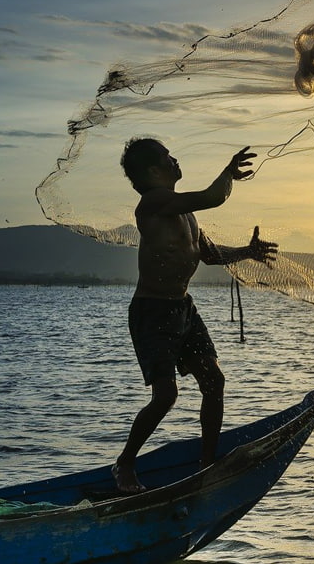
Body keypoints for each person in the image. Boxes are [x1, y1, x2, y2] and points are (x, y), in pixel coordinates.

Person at [113, 137, 278, 494]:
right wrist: (229, 172)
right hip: (152, 311)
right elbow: (213, 196)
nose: (175, 160)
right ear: (153, 171)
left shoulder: (185, 213)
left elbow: (211, 255)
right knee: (165, 396)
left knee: (214, 381)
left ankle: (207, 464)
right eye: (167, 157)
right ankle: (124, 463)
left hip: (183, 308)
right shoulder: (154, 203)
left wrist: (247, 252)